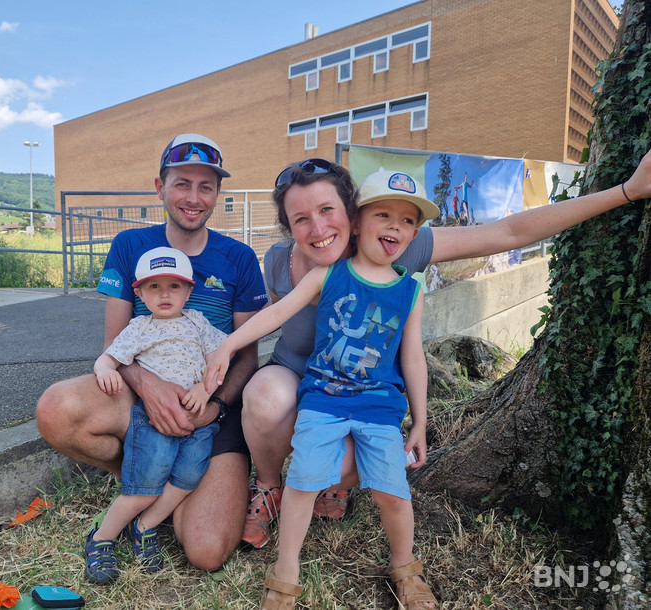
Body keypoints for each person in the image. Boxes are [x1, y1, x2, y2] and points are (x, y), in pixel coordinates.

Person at [239, 150, 651, 552]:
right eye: (301, 219)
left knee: (349, 458)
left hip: (361, 393)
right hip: (300, 379)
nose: (318, 227)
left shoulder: (392, 244)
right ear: (288, 227)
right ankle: (270, 485)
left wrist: (626, 191)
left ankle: (335, 482)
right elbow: (275, 321)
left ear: (353, 211)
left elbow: (507, 233)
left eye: (328, 210)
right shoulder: (279, 260)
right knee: (266, 397)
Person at [204, 169, 440, 609]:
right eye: (383, 214)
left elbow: (412, 358)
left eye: (408, 221)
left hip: (379, 409)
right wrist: (229, 345)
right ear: (357, 217)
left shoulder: (411, 289)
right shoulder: (329, 274)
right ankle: (285, 573)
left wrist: (421, 422)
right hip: (322, 401)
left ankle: (405, 567)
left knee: (393, 492)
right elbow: (275, 315)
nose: (395, 227)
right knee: (302, 483)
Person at [36, 133, 268, 571]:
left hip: (209, 407)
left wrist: (214, 406)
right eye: (182, 183)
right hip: (140, 394)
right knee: (56, 409)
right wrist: (150, 386)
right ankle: (146, 479)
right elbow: (115, 345)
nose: (194, 198)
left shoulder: (239, 258)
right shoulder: (128, 246)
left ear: (218, 193)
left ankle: (161, 491)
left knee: (206, 551)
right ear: (159, 187)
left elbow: (247, 358)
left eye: (206, 186)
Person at [85, 246, 228, 584]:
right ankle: (101, 537)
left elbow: (219, 360)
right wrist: (104, 370)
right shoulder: (140, 327)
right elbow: (109, 358)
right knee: (144, 488)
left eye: (174, 286)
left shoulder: (198, 322)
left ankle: (145, 526)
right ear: (139, 293)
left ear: (189, 290)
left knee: (187, 479)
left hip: (197, 421)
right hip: (154, 422)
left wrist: (205, 391)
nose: (165, 294)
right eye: (154, 287)